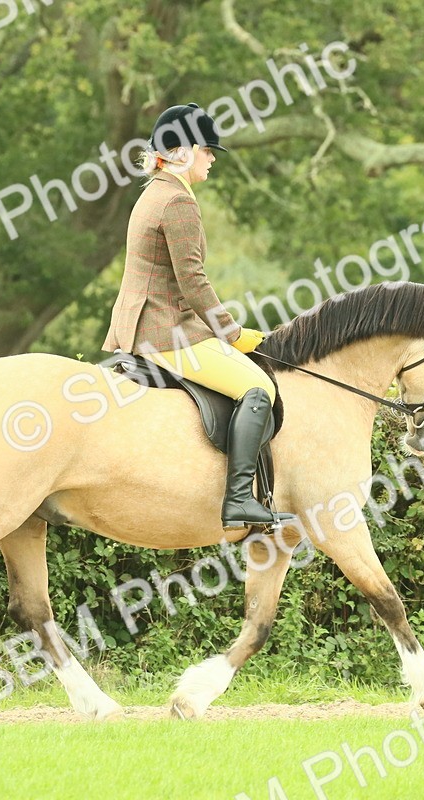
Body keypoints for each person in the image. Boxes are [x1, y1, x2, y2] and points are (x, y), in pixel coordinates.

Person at [101, 103, 296, 531]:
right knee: (258, 386)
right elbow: (192, 280)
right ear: (185, 151)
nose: (211, 158)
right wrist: (231, 332)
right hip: (168, 331)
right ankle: (240, 500)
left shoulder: (153, 192)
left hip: (143, 324)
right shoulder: (176, 202)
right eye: (207, 150)